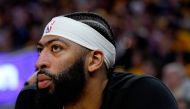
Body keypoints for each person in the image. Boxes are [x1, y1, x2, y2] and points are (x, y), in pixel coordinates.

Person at [15, 12, 178, 109]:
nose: (39, 62)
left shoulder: (142, 95)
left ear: (94, 60)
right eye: (40, 50)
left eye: (56, 48)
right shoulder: (32, 100)